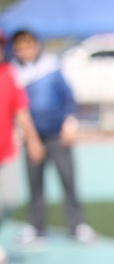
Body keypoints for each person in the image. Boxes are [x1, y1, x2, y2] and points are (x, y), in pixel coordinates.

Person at [10, 29, 94, 247]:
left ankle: (77, 225)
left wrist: (70, 122)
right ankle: (36, 226)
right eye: (20, 47)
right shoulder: (13, 71)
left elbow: (68, 97)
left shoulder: (52, 66)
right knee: (35, 183)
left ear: (37, 45)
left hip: (57, 134)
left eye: (28, 45)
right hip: (32, 137)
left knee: (68, 180)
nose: (25, 51)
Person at [0, 26, 45, 264]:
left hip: (6, 150)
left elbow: (21, 110)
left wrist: (33, 139)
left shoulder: (9, 73)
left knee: (10, 199)